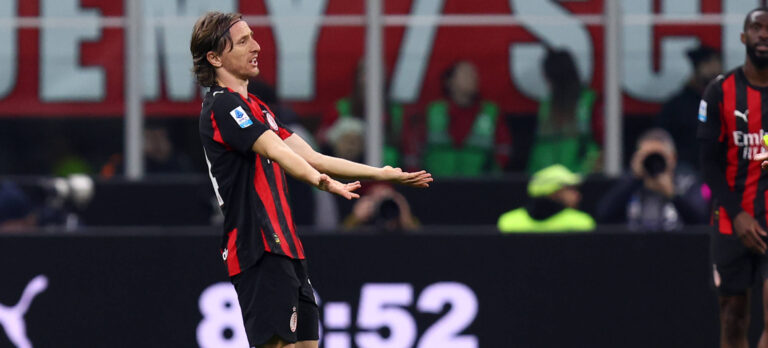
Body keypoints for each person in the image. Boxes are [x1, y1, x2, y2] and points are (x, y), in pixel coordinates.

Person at [190, 12, 433, 348]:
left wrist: (381, 173)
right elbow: (279, 152)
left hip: (286, 248)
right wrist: (323, 182)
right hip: (257, 247)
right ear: (215, 57)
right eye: (243, 41)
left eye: (252, 37)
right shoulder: (223, 106)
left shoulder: (257, 107)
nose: (256, 46)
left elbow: (313, 155)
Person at [699, 8, 768, 348]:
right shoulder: (718, 92)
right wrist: (738, 214)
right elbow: (708, 164)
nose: (764, 35)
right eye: (756, 27)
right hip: (731, 218)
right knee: (733, 317)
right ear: (743, 37)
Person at [596, 128, 708, 231]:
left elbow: (701, 220)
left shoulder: (687, 183)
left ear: (673, 158)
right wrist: (634, 179)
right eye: (648, 156)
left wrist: (673, 195)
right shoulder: (628, 183)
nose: (654, 162)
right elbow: (603, 215)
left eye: (659, 156)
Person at [422, 60, 512, 177]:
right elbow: (415, 148)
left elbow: (504, 148)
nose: (473, 78)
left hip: (480, 184)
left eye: (474, 75)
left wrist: (492, 173)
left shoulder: (490, 112)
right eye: (465, 74)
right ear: (449, 82)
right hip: (436, 183)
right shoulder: (433, 111)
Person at [527, 49, 602, 175]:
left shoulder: (590, 102)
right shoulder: (546, 105)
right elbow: (539, 146)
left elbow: (602, 144)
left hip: (583, 179)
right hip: (548, 181)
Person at [656, 45, 722, 171]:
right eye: (707, 64)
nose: (714, 70)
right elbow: (662, 141)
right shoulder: (676, 107)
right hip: (685, 173)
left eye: (717, 64)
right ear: (695, 68)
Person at [497, 164, 594, 233]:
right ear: (553, 192)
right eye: (570, 189)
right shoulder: (508, 223)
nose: (578, 195)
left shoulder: (582, 223)